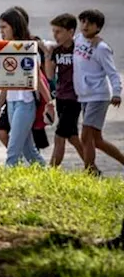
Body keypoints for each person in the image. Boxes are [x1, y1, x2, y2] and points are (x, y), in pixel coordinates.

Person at [0, 8, 52, 167]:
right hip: (12, 104)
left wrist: (50, 103)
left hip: (25, 105)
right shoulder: (6, 48)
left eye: (4, 27)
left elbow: (38, 79)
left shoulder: (28, 49)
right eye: (0, 28)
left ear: (14, 27)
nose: (1, 32)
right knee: (29, 151)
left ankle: (6, 187)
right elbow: (6, 84)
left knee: (13, 151)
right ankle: (49, 177)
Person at [75, 8, 124, 175]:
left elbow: (112, 72)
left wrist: (116, 92)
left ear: (98, 27)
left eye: (90, 23)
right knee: (97, 140)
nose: (85, 25)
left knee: (86, 136)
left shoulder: (101, 47)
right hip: (84, 96)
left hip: (98, 96)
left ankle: (90, 171)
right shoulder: (78, 40)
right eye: (83, 21)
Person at [46, 13, 86, 169]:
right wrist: (49, 55)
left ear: (71, 32)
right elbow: (50, 75)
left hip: (74, 99)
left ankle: (51, 171)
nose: (55, 35)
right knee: (72, 136)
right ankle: (92, 168)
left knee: (59, 135)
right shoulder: (56, 51)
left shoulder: (80, 49)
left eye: (59, 31)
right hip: (61, 97)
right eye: (54, 31)